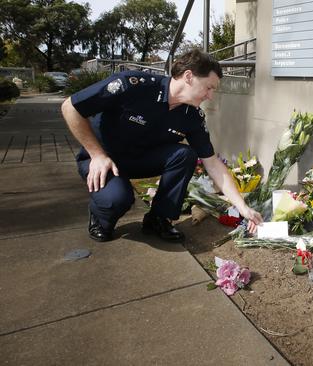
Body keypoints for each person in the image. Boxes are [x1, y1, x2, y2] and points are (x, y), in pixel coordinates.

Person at [61, 49, 262, 243]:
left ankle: (158, 219)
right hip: (104, 160)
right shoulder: (132, 85)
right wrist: (97, 155)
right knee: (116, 200)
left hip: (141, 160)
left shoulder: (191, 116)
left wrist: (243, 208)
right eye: (209, 87)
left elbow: (212, 163)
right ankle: (100, 216)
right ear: (189, 76)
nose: (210, 96)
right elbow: (70, 107)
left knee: (186, 154)